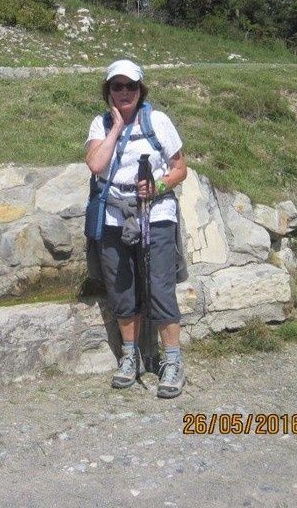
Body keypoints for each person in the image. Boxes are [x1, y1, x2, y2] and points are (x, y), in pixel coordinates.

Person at [85, 59, 188, 398]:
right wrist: (116, 127)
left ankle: (172, 360)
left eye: (130, 86)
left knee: (159, 285)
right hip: (115, 218)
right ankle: (130, 357)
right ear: (108, 91)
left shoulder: (157, 120)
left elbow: (179, 168)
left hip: (155, 216)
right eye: (117, 86)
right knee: (122, 289)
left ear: (141, 89)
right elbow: (97, 165)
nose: (124, 92)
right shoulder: (99, 126)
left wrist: (157, 187)